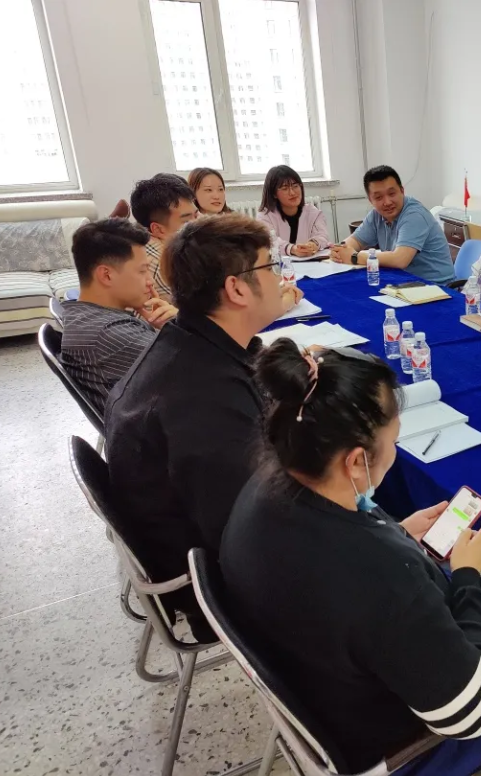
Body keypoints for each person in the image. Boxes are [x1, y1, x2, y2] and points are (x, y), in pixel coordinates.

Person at [220, 340, 481, 776]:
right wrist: (467, 577)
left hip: (322, 686)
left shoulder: (262, 488)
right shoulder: (380, 575)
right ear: (356, 461)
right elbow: (473, 715)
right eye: (393, 441)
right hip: (396, 747)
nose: (394, 452)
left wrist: (397, 532)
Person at [104, 214, 300, 639]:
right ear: (236, 289)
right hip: (219, 584)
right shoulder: (204, 401)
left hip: (208, 538)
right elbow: (255, 530)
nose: (281, 279)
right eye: (272, 267)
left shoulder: (189, 341)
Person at [60, 218, 178, 414]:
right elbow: (205, 369)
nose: (150, 282)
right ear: (106, 275)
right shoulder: (111, 334)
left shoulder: (84, 316)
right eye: (143, 271)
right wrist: (179, 325)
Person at [330, 165, 455, 284]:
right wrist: (339, 251)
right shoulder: (376, 215)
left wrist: (355, 257)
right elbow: (356, 241)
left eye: (391, 194)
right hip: (403, 283)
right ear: (370, 200)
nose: (387, 202)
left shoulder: (414, 215)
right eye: (378, 197)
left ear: (402, 191)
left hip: (436, 287)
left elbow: (400, 259)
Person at [130, 173, 199, 302]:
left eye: (196, 215)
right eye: (187, 222)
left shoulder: (149, 241)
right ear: (158, 229)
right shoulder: (163, 264)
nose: (198, 224)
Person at [257, 165, 330, 257]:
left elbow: (322, 235)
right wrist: (292, 249)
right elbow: (270, 241)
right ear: (274, 194)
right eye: (285, 188)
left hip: (309, 261)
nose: (292, 193)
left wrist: (313, 244)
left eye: (295, 186)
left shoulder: (313, 212)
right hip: (279, 263)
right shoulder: (265, 215)